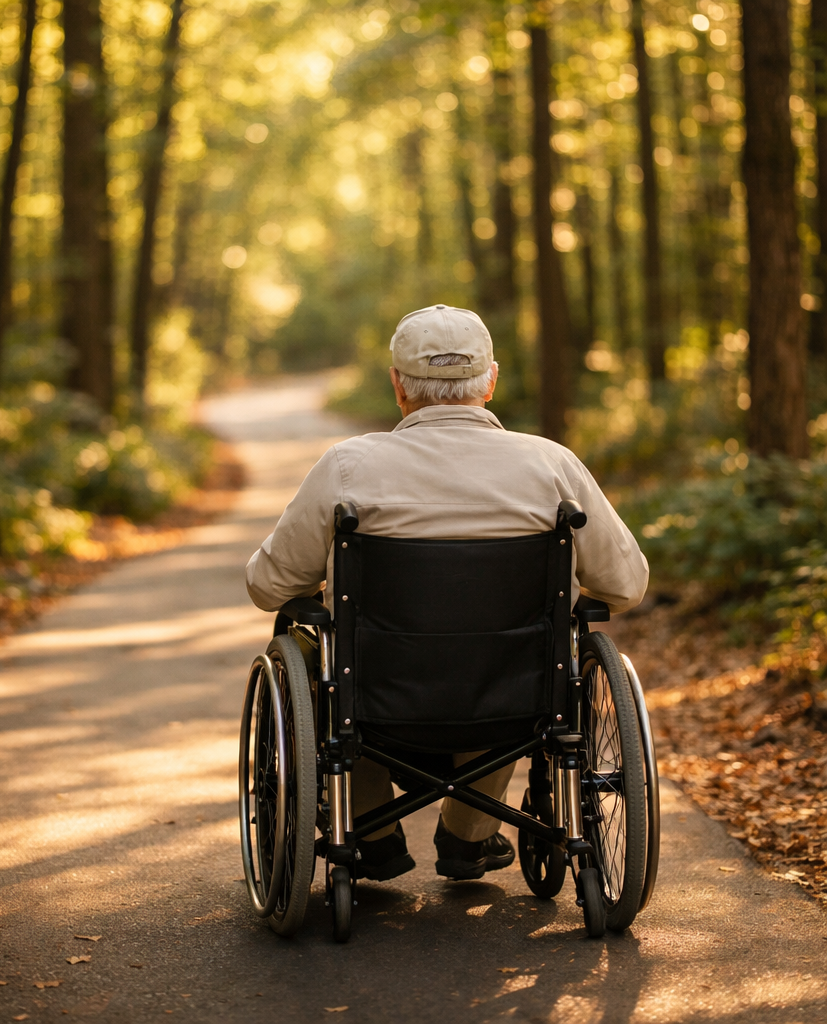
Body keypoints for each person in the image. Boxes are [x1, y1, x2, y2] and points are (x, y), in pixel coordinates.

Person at [245, 304, 649, 883]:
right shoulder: (551, 465)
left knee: (319, 656)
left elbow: (269, 587)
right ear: (490, 381)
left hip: (375, 702)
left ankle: (373, 836)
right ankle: (468, 836)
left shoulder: (348, 467)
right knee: (526, 660)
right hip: (513, 702)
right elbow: (626, 583)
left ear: (397, 386)